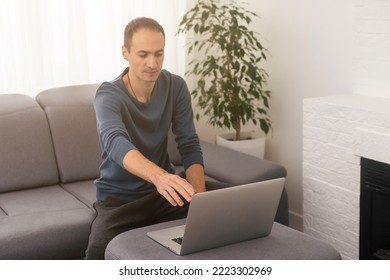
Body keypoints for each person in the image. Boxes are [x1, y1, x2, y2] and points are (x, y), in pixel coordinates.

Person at [85, 17, 230, 259]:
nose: (152, 63)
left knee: (236, 205)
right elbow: (115, 142)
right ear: (125, 52)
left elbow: (189, 143)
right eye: (143, 54)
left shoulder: (176, 86)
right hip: (120, 202)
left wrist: (200, 202)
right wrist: (160, 177)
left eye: (159, 54)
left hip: (165, 196)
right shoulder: (107, 95)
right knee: (96, 257)